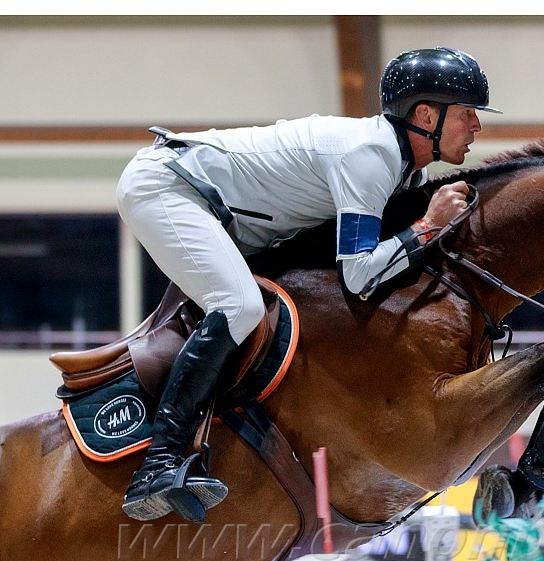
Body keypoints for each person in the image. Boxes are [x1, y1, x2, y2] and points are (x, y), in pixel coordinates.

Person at [116, 46, 500, 523]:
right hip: (167, 188)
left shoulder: (404, 168)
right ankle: (160, 463)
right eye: (467, 114)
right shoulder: (372, 157)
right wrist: (425, 227)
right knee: (239, 307)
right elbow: (358, 274)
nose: (477, 128)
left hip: (216, 210)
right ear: (425, 115)